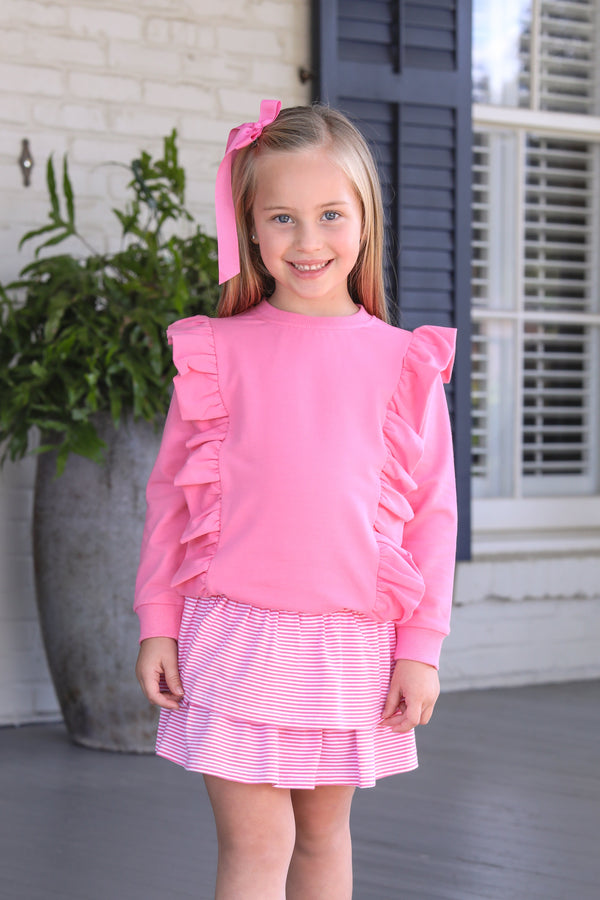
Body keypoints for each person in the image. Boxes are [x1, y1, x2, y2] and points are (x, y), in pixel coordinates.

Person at [134, 99, 457, 900]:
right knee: (258, 843)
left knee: (321, 837)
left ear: (365, 220)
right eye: (282, 217)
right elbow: (171, 502)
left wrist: (420, 648)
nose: (307, 241)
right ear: (250, 228)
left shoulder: (404, 364)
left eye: (329, 215)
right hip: (233, 638)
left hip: (350, 645)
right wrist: (158, 623)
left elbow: (432, 517)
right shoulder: (215, 353)